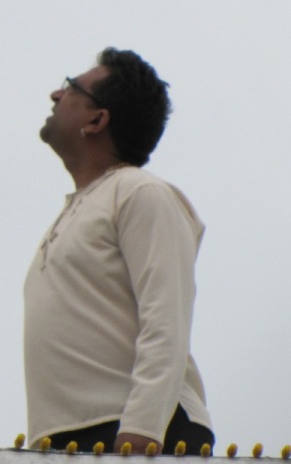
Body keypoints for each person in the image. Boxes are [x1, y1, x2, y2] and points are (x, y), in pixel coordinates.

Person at [25, 48, 214, 454]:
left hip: (139, 434)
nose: (55, 97)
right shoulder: (81, 208)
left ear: (97, 120)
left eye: (68, 88)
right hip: (70, 443)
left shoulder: (141, 194)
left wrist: (142, 431)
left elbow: (167, 319)